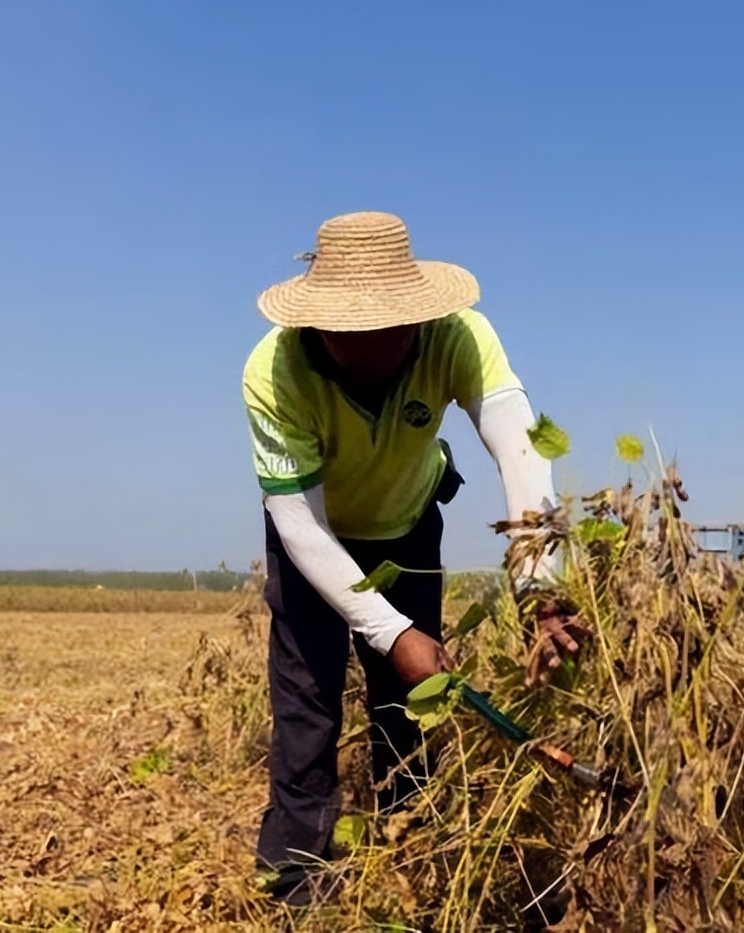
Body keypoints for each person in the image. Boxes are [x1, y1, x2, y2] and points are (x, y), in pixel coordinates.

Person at [241, 210, 584, 906]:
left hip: (407, 527)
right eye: (350, 334)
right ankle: (295, 876)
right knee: (307, 698)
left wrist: (542, 589)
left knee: (408, 701)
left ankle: (416, 845)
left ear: (420, 315)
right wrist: (389, 630)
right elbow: (299, 523)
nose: (372, 350)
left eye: (389, 331)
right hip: (315, 539)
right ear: (316, 325)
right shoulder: (273, 372)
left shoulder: (458, 337)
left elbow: (521, 449)